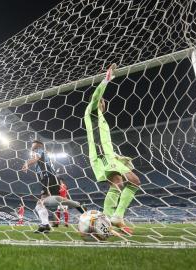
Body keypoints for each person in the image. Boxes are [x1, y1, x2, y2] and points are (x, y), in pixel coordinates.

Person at [84, 63, 141, 235]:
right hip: (101, 156)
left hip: (107, 156)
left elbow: (103, 141)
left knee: (119, 182)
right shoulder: (91, 112)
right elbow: (95, 97)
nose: (102, 103)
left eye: (103, 102)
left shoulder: (100, 119)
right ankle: (112, 217)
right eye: (101, 100)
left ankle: (110, 218)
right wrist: (107, 78)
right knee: (132, 180)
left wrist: (118, 156)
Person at [22, 140, 58, 233]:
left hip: (47, 177)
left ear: (39, 145)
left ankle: (45, 224)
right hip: (48, 178)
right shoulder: (42, 153)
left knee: (40, 204)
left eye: (33, 144)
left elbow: (35, 159)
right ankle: (45, 225)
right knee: (41, 204)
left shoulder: (39, 150)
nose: (32, 145)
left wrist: (26, 164)